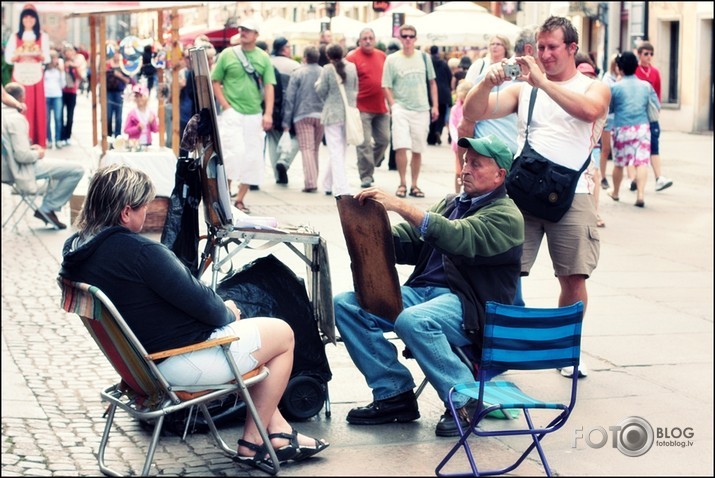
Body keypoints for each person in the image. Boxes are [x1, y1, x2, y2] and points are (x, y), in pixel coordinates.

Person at [58, 164, 328, 472]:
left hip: (138, 369)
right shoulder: (140, 253)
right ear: (125, 213)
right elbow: (211, 310)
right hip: (176, 364)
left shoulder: (76, 251)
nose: (147, 213)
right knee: (282, 334)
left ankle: (279, 432)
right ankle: (253, 443)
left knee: (254, 349)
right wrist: (229, 310)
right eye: (144, 207)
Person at [334, 134, 523, 437]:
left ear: (500, 174)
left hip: (469, 306)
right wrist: (369, 232)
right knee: (346, 304)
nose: (466, 169)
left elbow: (457, 236)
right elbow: (411, 242)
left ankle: (466, 399)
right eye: (465, 161)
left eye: (476, 164)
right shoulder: (451, 203)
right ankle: (394, 395)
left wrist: (399, 205)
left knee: (414, 320)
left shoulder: (506, 215)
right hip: (422, 294)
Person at [462, 16, 610, 379]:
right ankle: (498, 347)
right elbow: (472, 112)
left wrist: (543, 83)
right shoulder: (523, 90)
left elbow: (589, 112)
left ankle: (566, 350)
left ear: (572, 48)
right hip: (523, 194)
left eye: (552, 47)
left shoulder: (594, 87)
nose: (544, 55)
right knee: (503, 272)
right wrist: (486, 82)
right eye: (540, 47)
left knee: (573, 278)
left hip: (573, 195)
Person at [212, 19, 275, 214]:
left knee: (252, 158)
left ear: (256, 34)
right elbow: (215, 80)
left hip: (254, 113)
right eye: (241, 29)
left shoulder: (263, 57)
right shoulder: (227, 55)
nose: (243, 32)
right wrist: (225, 105)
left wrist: (268, 113)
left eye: (248, 30)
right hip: (233, 113)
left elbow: (269, 86)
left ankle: (240, 199)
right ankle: (227, 196)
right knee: (231, 155)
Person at [2, 82, 84, 230]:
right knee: (77, 169)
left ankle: (49, 206)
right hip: (21, 169)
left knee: (59, 169)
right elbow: (22, 156)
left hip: (8, 167)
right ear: (21, 98)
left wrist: (30, 149)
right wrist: (37, 153)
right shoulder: (15, 118)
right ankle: (48, 207)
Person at [382, 24, 438, 199]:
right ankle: (402, 183)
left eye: (410, 36)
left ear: (415, 38)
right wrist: (393, 105)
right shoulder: (392, 59)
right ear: (400, 38)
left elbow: (432, 83)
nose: (407, 39)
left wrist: (435, 106)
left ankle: (414, 184)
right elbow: (386, 85)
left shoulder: (423, 57)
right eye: (404, 36)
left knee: (417, 148)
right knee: (400, 146)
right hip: (401, 108)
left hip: (421, 109)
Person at [607, 51, 659, 208]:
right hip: (642, 127)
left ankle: (615, 192)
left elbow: (609, 109)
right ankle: (641, 195)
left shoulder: (615, 88)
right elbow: (655, 105)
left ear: (620, 68)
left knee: (619, 163)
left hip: (621, 128)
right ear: (636, 67)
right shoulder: (646, 86)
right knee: (641, 162)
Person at [345, 28, 389, 188]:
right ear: (360, 40)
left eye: (371, 38)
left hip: (381, 106)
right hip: (361, 107)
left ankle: (371, 162)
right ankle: (366, 176)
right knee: (363, 144)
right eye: (365, 38)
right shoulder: (352, 57)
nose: (368, 41)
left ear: (375, 39)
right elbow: (346, 81)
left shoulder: (381, 56)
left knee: (384, 140)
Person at [315, 43, 358, 197]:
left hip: (332, 114)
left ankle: (341, 188)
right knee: (340, 151)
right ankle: (327, 184)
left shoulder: (327, 69)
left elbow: (321, 91)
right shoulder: (352, 67)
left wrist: (318, 84)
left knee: (335, 152)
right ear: (343, 52)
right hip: (347, 114)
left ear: (328, 56)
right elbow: (355, 89)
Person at [4, 3, 50, 148]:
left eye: (31, 17)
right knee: (21, 106)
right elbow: (8, 57)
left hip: (35, 76)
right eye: (25, 17)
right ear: (21, 19)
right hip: (20, 76)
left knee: (36, 108)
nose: (28, 20)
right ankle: (20, 142)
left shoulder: (42, 37)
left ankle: (37, 141)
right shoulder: (15, 36)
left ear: (36, 19)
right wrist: (18, 55)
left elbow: (47, 58)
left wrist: (39, 55)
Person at [282, 46, 324, 193]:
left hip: (302, 114)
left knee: (306, 148)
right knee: (315, 149)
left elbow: (290, 98)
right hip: (321, 115)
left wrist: (286, 122)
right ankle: (314, 178)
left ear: (305, 57)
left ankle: (311, 183)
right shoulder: (323, 72)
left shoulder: (298, 73)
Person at [635, 41, 673, 193]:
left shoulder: (655, 72)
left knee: (654, 146)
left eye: (651, 54)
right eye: (646, 54)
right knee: (636, 149)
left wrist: (657, 110)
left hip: (650, 115)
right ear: (639, 54)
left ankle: (659, 178)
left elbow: (657, 93)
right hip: (636, 116)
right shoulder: (634, 70)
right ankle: (635, 179)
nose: (649, 57)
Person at [575, 54, 606, 226]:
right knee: (591, 176)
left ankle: (594, 212)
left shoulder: (597, 92)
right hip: (581, 146)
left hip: (591, 144)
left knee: (595, 176)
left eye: (591, 75)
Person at [266, 36, 300, 186]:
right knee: (297, 138)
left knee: (273, 140)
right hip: (289, 108)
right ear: (284, 49)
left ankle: (277, 175)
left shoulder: (268, 63)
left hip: (270, 108)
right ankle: (284, 161)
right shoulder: (294, 65)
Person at [599, 53, 620, 190]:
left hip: (618, 118)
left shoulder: (621, 78)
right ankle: (603, 177)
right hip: (608, 118)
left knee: (618, 149)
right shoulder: (607, 79)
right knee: (606, 149)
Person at [448, 80, 472, 193]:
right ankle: (457, 193)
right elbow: (452, 125)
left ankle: (468, 191)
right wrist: (456, 139)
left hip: (471, 143)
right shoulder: (455, 109)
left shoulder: (473, 107)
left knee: (470, 169)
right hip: (458, 145)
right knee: (458, 170)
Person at [427, 46, 453, 146]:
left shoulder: (428, 63)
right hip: (444, 92)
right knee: (441, 114)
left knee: (431, 114)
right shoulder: (443, 63)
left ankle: (431, 137)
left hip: (432, 92)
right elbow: (450, 76)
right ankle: (438, 131)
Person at [61, 44, 85, 147]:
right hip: (62, 91)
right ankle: (62, 136)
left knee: (70, 116)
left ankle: (68, 136)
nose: (69, 54)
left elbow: (81, 77)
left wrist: (75, 67)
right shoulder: (61, 63)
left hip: (72, 92)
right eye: (67, 52)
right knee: (60, 116)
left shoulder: (76, 64)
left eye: (70, 52)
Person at [106, 47, 131, 138]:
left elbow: (128, 80)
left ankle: (117, 136)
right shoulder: (108, 64)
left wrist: (119, 75)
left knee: (118, 116)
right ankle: (109, 135)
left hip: (119, 92)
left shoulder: (123, 66)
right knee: (108, 115)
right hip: (109, 92)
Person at [123, 84, 159, 148]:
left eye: (141, 96)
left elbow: (155, 130)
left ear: (146, 97)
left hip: (147, 144)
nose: (139, 99)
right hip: (134, 145)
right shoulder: (132, 114)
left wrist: (152, 122)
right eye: (137, 96)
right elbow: (126, 130)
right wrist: (137, 128)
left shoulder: (151, 113)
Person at [44, 49, 65, 150]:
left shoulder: (59, 70)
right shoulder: (44, 70)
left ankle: (58, 139)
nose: (54, 60)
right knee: (47, 119)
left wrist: (61, 72)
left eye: (55, 58)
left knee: (58, 118)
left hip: (57, 95)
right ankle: (49, 139)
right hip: (46, 95)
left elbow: (63, 84)